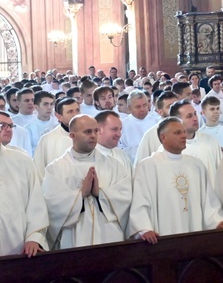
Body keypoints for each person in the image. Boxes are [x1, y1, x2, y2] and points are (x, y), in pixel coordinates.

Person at [129, 117, 223, 243]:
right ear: (163, 137)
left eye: (183, 132)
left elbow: (208, 200)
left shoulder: (196, 165)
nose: (183, 136)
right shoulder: (148, 166)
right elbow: (140, 201)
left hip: (194, 235)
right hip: (162, 240)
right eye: (177, 133)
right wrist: (144, 228)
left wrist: (216, 222)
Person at [42, 115, 132, 249]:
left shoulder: (114, 165)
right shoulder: (56, 169)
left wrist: (100, 193)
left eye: (96, 131)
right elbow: (50, 205)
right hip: (74, 236)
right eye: (87, 132)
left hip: (109, 235)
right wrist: (80, 194)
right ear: (72, 135)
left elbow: (126, 197)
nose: (93, 135)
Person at [0, 121, 49, 257]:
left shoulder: (21, 160)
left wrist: (34, 238)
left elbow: (36, 202)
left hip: (18, 247)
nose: (6, 129)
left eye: (9, 126)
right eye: (2, 125)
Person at [169, 100, 223, 187]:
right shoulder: (171, 149)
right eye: (189, 116)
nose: (195, 118)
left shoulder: (210, 141)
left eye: (195, 114)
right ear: (177, 121)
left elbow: (222, 174)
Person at [34, 98, 80, 177]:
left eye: (77, 110)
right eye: (70, 112)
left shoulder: (90, 135)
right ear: (59, 116)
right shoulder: (47, 140)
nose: (75, 114)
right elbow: (38, 171)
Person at [134, 91, 179, 163]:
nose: (176, 110)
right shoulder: (151, 135)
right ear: (160, 112)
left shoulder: (188, 130)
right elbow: (141, 164)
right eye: (170, 107)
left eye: (177, 106)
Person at [120, 90, 160, 163]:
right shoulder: (122, 125)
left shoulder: (156, 122)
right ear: (129, 108)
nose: (142, 109)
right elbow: (119, 149)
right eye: (138, 107)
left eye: (144, 105)